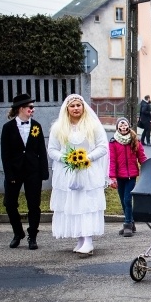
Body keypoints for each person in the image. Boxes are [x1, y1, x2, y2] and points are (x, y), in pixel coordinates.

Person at [48, 94, 108, 257]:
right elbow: (52, 150)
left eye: (78, 105)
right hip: (67, 173)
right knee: (74, 205)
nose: (76, 108)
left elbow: (103, 147)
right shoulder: (58, 127)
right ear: (67, 108)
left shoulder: (93, 125)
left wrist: (86, 158)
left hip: (88, 172)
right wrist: (67, 159)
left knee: (86, 205)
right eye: (72, 106)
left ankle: (88, 240)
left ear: (83, 107)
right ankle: (80, 239)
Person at [0, 93, 49, 250]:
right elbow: (5, 154)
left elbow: (42, 150)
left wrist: (43, 171)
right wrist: (9, 174)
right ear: (21, 108)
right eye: (30, 107)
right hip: (14, 172)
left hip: (33, 172)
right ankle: (18, 233)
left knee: (34, 205)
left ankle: (32, 236)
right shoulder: (7, 128)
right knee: (9, 203)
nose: (32, 110)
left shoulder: (36, 126)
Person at [108, 117, 147, 238]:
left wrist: (148, 167)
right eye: (121, 126)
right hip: (119, 175)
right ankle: (131, 221)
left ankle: (128, 224)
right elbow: (112, 160)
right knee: (122, 201)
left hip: (131, 175)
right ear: (118, 128)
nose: (123, 128)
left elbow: (142, 157)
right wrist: (112, 177)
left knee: (127, 200)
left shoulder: (135, 140)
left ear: (128, 126)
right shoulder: (113, 142)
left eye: (125, 125)